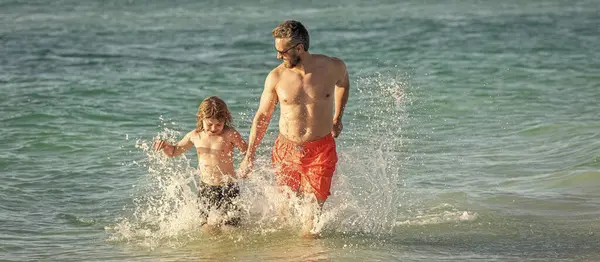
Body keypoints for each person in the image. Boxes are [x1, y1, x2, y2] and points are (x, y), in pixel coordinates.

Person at [239, 20, 350, 237]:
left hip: (321, 151)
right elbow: (262, 116)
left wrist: (338, 117)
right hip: (286, 150)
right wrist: (249, 155)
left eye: (282, 52)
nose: (278, 56)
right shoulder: (276, 77)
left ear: (299, 48)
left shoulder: (333, 67)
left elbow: (344, 83)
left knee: (310, 229)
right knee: (285, 213)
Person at [153, 96, 248, 231]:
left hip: (228, 187)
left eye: (219, 124)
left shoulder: (229, 134)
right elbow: (174, 152)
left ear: (225, 121)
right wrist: (165, 146)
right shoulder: (195, 135)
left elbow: (247, 152)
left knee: (230, 229)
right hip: (206, 189)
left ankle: (230, 252)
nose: (214, 128)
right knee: (207, 229)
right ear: (201, 118)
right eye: (209, 124)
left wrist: (246, 166)